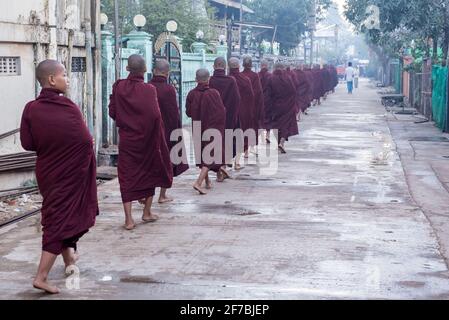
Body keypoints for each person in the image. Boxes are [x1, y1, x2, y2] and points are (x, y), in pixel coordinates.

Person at [20, 59, 98, 294]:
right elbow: (85, 140)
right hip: (70, 174)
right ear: (52, 79)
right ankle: (41, 276)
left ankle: (69, 260)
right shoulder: (69, 107)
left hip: (48, 172)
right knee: (57, 222)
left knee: (60, 215)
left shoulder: (30, 108)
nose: (67, 79)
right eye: (64, 75)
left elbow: (27, 143)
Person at [109, 54, 173, 231]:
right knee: (150, 172)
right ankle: (146, 212)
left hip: (127, 140)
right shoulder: (149, 89)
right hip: (147, 139)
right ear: (145, 71)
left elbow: (112, 111)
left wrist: (126, 120)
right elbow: (155, 115)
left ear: (127, 69)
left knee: (127, 176)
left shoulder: (119, 86)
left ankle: (128, 219)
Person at [150, 59, 189, 201]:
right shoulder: (169, 90)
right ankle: (162, 195)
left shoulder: (147, 87)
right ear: (167, 73)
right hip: (167, 131)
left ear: (154, 71)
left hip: (150, 132)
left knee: (150, 162)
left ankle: (146, 195)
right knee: (167, 162)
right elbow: (173, 113)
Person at [186, 69, 227, 195]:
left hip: (198, 127)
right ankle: (198, 183)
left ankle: (207, 181)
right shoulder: (214, 93)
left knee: (203, 153)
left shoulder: (191, 94)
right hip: (212, 128)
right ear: (208, 79)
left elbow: (188, 113)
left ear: (196, 79)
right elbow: (221, 112)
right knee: (211, 155)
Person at [209, 57, 241, 178]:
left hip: (213, 117)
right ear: (225, 67)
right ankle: (222, 167)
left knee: (215, 142)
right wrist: (234, 115)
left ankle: (218, 170)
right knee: (227, 141)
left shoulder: (210, 80)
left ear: (213, 66)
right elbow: (237, 99)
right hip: (228, 116)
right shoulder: (231, 81)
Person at [264, 62, 299, 154]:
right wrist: (292, 103)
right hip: (287, 106)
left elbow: (267, 94)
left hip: (275, 106)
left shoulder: (270, 78)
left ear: (274, 68)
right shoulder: (288, 78)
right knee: (286, 124)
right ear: (283, 68)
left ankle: (278, 143)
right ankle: (281, 143)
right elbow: (293, 91)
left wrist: (268, 107)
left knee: (276, 124)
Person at [228, 57, 256, 169]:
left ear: (228, 67)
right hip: (243, 111)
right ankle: (237, 162)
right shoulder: (245, 80)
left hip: (229, 112)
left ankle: (228, 160)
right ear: (238, 67)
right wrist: (250, 111)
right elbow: (251, 97)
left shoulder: (227, 80)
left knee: (228, 135)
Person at [241, 55, 265, 154]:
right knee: (252, 126)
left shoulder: (240, 75)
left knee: (242, 127)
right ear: (251, 65)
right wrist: (260, 108)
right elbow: (258, 93)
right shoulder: (255, 76)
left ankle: (245, 149)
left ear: (243, 64)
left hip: (241, 106)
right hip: (253, 106)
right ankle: (250, 148)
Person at [258, 59, 272, 144]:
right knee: (269, 118)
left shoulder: (257, 75)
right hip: (268, 99)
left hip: (259, 99)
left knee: (259, 117)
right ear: (267, 66)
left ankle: (259, 135)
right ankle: (267, 135)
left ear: (260, 66)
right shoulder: (270, 76)